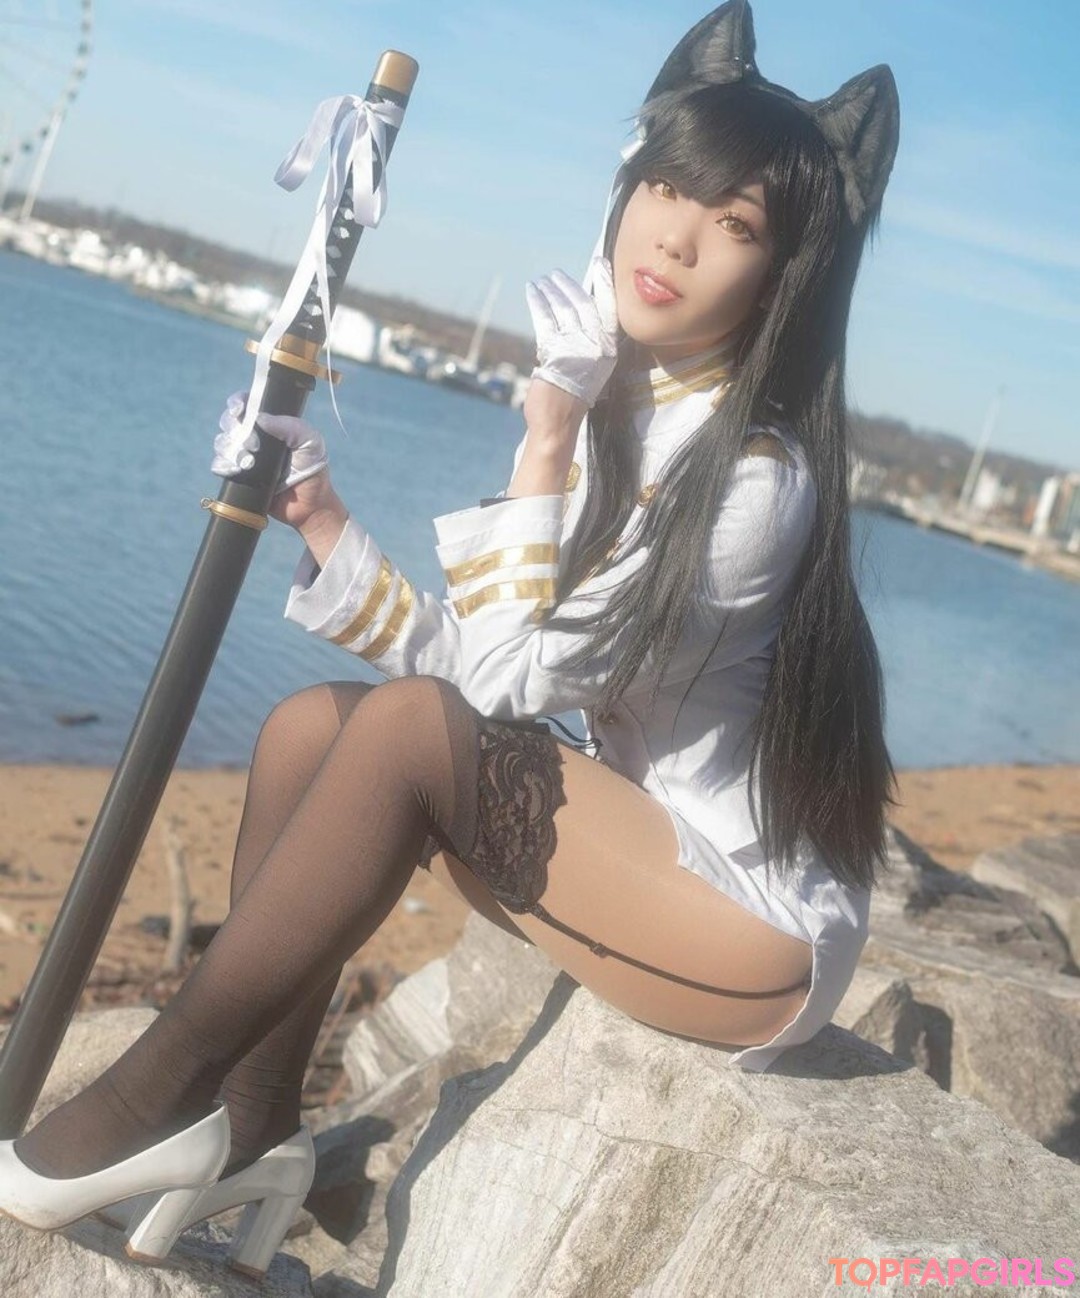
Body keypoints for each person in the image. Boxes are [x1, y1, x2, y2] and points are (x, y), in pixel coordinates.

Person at [0, 0, 899, 1279]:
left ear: (786, 274)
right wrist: (323, 522)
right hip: (640, 847)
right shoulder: (627, 412)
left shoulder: (758, 482)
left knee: (406, 731)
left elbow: (486, 695)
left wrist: (548, 434)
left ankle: (147, 1097)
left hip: (751, 931)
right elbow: (473, 681)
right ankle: (252, 1124)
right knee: (309, 726)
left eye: (737, 224)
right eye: (663, 185)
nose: (675, 235)